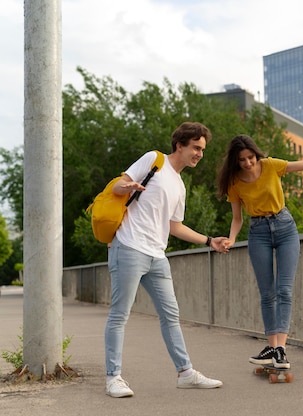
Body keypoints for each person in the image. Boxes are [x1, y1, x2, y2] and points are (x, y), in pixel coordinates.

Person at [104, 121, 228, 398]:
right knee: (119, 315)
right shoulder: (154, 160)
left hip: (157, 255)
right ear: (179, 145)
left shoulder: (180, 186)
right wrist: (129, 187)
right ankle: (113, 377)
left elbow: (175, 227)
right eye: (196, 148)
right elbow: (117, 188)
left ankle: (185, 373)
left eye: (203, 150)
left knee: (171, 315)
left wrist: (210, 241)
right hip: (129, 247)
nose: (199, 154)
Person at [216, 132, 303, 369]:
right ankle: (272, 347)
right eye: (242, 160)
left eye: (250, 157)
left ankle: (281, 348)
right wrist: (231, 239)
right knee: (267, 293)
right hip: (258, 232)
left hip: (285, 228)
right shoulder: (234, 182)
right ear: (235, 161)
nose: (248, 163)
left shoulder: (270, 165)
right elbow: (237, 218)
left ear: (255, 154)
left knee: (284, 290)